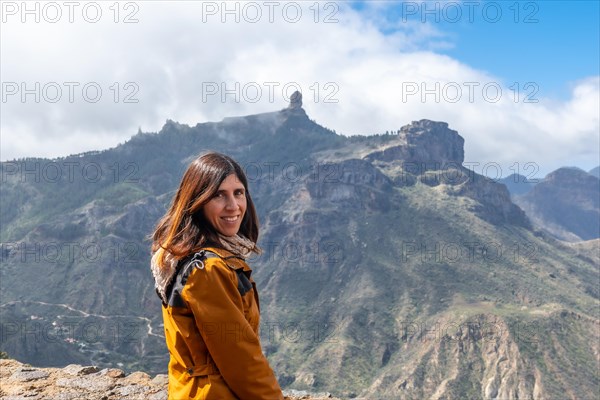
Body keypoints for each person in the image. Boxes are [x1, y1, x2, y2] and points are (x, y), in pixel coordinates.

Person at [150, 152, 284, 399]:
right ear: (197, 201)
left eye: (238, 193)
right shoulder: (209, 270)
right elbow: (242, 361)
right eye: (218, 195)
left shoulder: (192, 258)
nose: (233, 206)